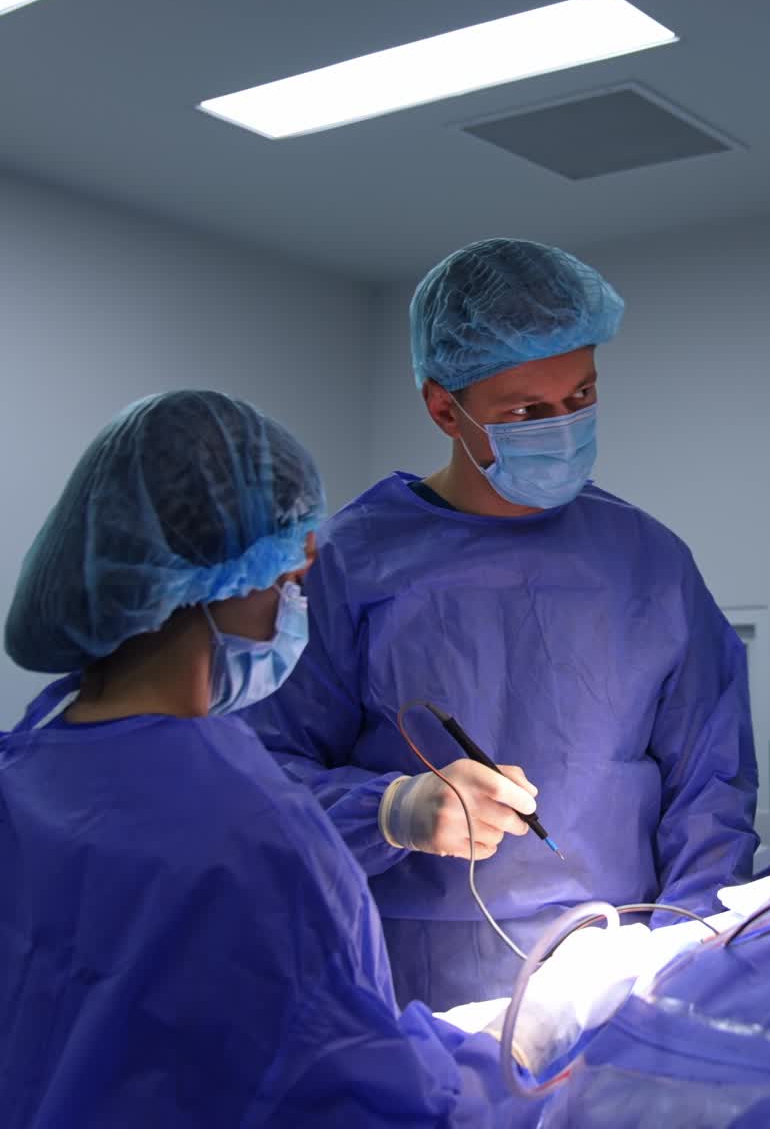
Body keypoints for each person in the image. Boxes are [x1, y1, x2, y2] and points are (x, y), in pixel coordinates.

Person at [0, 390, 609, 1127]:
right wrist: (523, 1040)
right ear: (230, 578)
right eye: (291, 576)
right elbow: (367, 1100)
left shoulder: (24, 767)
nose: (306, 581)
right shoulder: (254, 835)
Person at [244, 238, 759, 1011]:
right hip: (412, 986)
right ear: (443, 408)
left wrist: (686, 961)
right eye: (526, 412)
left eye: (582, 395)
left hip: (617, 975)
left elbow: (711, 789)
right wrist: (391, 810)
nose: (564, 426)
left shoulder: (649, 561)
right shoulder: (348, 565)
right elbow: (260, 778)